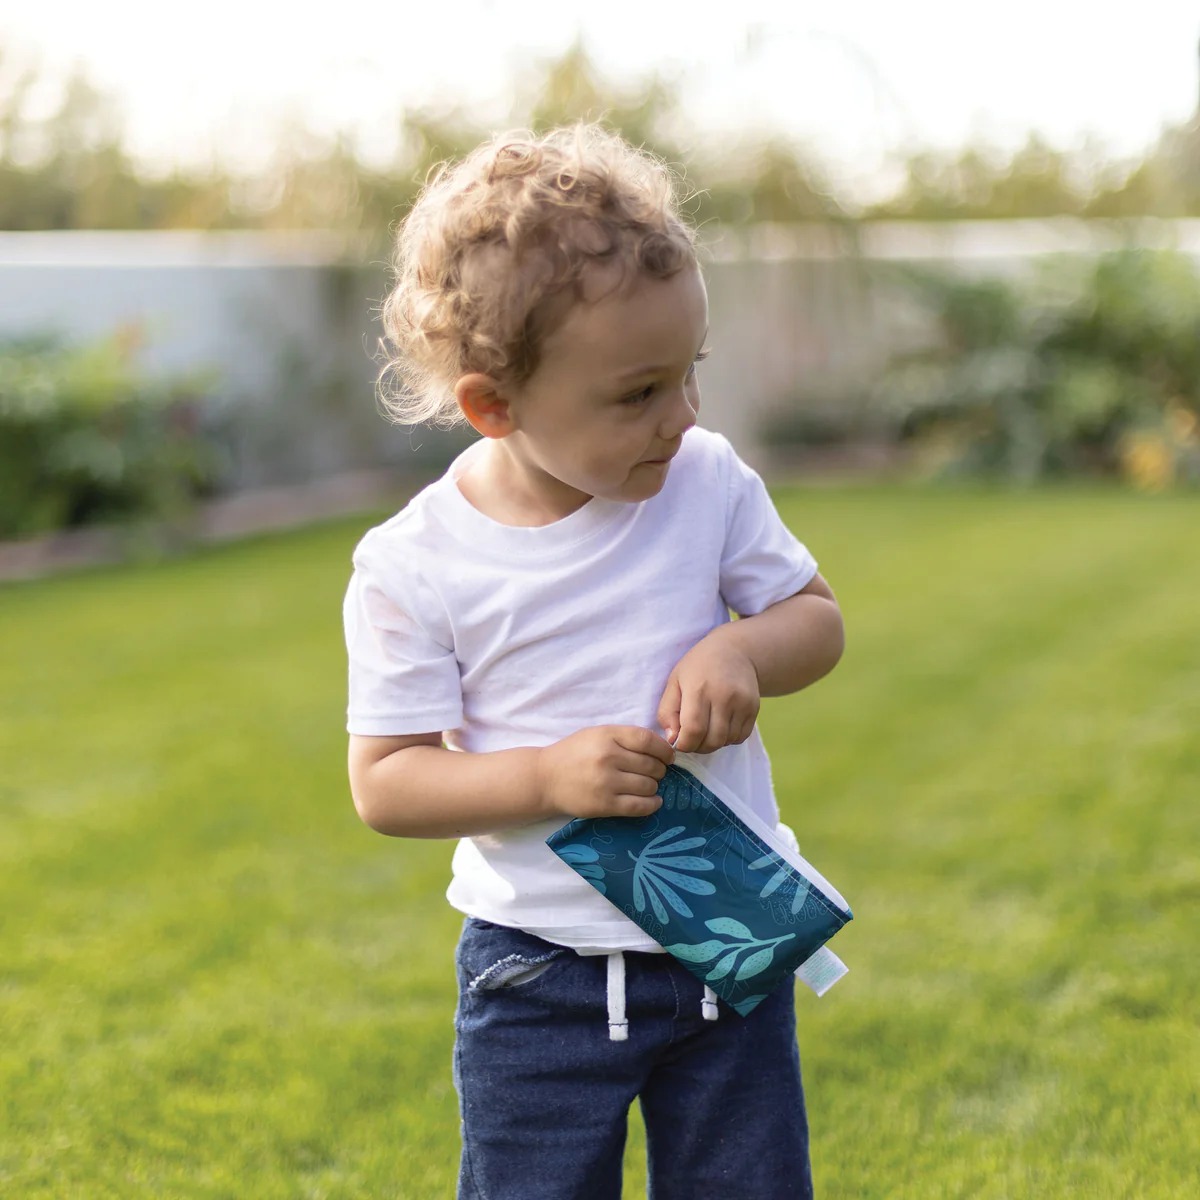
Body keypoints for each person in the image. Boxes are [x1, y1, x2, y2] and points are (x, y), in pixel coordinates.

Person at [343, 123, 845, 1200]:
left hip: (726, 951)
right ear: (494, 406)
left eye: (688, 373)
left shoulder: (705, 482)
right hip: (539, 977)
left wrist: (740, 646)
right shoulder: (415, 565)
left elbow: (817, 619)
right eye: (638, 394)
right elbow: (385, 781)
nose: (684, 416)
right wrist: (544, 777)